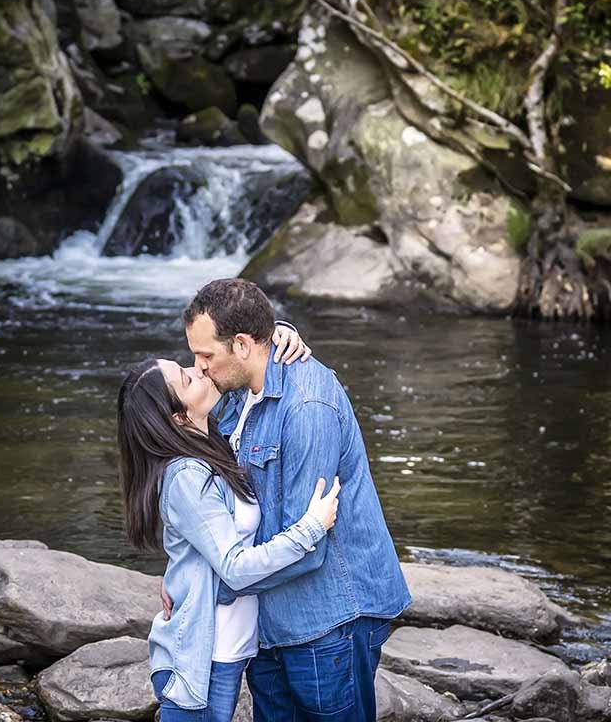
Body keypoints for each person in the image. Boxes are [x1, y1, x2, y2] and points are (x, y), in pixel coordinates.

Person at [177, 278, 412, 722]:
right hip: (269, 618)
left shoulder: (307, 407)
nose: (199, 366)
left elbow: (308, 545)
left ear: (243, 345)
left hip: (330, 618)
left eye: (206, 355)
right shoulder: (236, 393)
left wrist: (204, 588)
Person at [116, 326, 342, 722]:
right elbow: (235, 567)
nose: (200, 370)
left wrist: (280, 334)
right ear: (178, 416)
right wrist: (311, 527)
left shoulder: (216, 443)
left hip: (230, 651)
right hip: (202, 659)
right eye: (187, 378)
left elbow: (246, 362)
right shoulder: (187, 475)